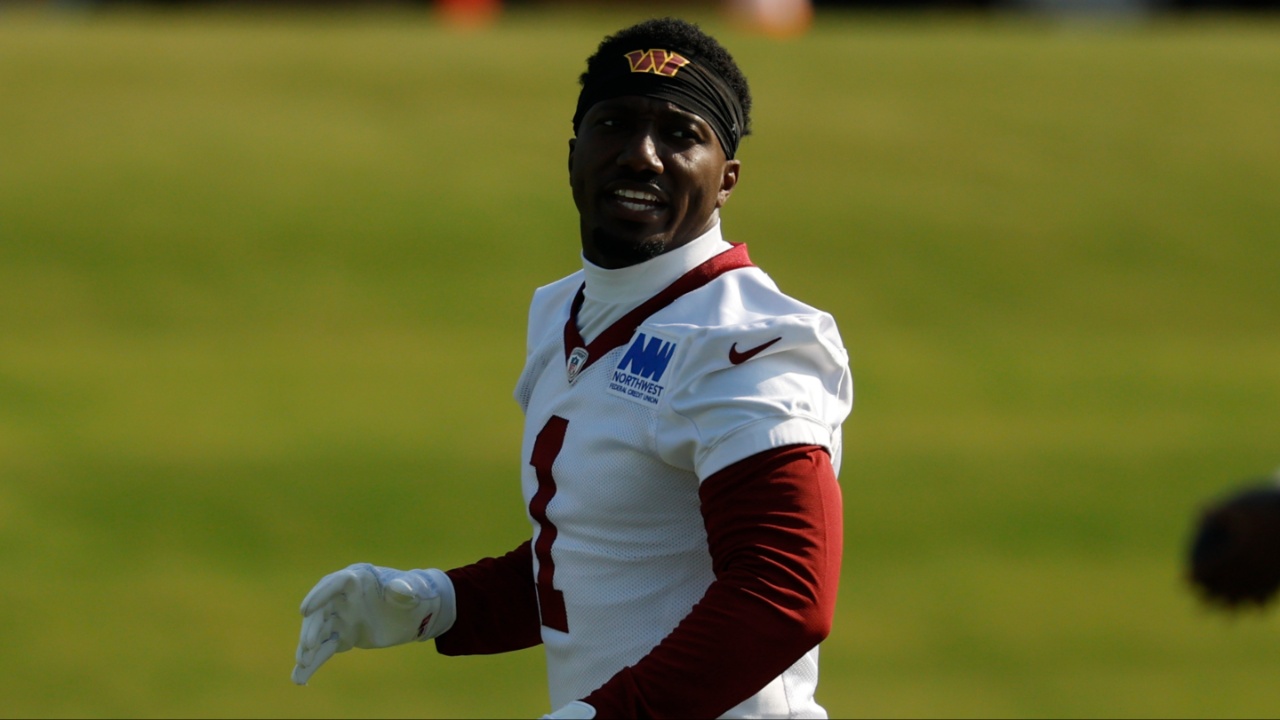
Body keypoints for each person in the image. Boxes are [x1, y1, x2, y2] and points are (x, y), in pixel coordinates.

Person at [291, 17, 853, 719]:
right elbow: (608, 559)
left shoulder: (749, 339)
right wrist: (443, 602)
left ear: (727, 178)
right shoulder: (567, 313)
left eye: (681, 135)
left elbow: (784, 598)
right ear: (573, 152)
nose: (641, 156)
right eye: (615, 124)